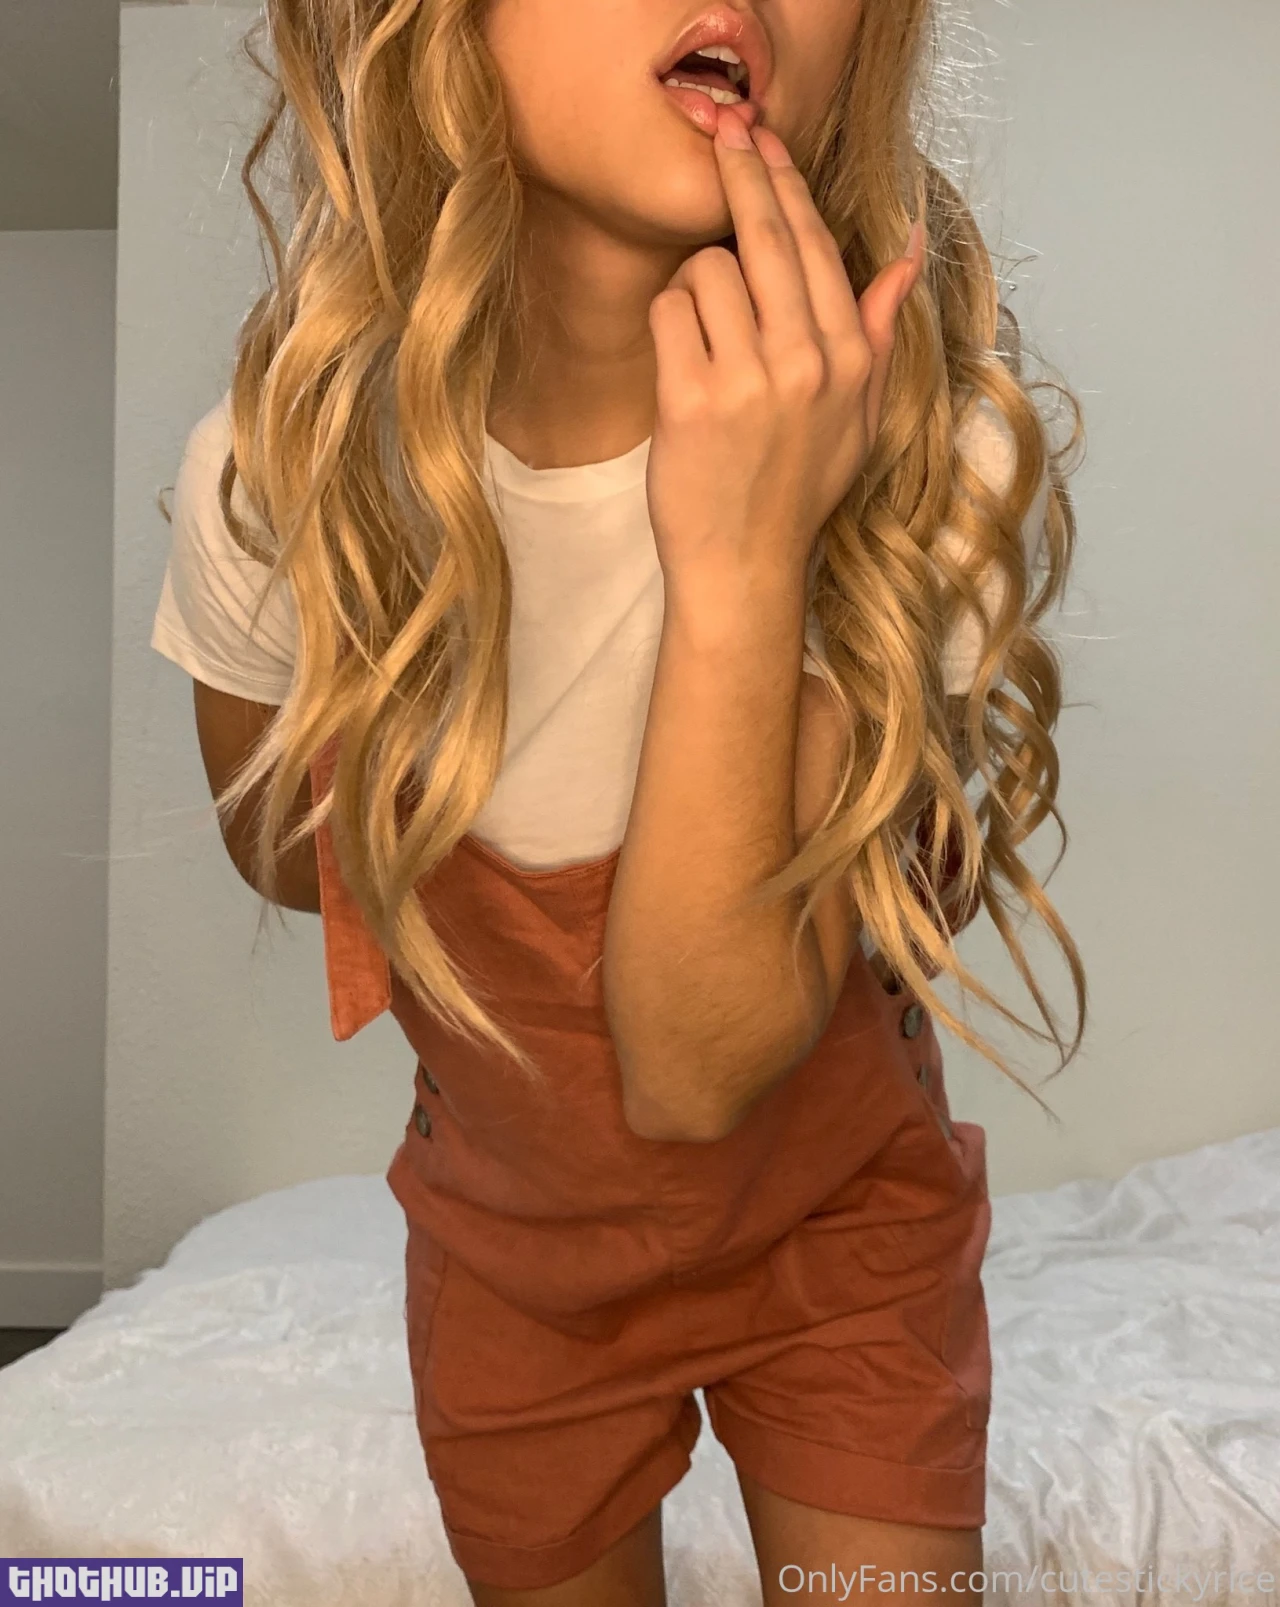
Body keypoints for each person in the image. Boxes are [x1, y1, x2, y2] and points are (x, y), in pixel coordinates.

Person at [150, 1, 1086, 1601]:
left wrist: (749, 558)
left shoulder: (931, 452)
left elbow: (696, 1071)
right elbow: (282, 856)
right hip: (514, 1266)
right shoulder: (281, 470)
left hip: (845, 1228)